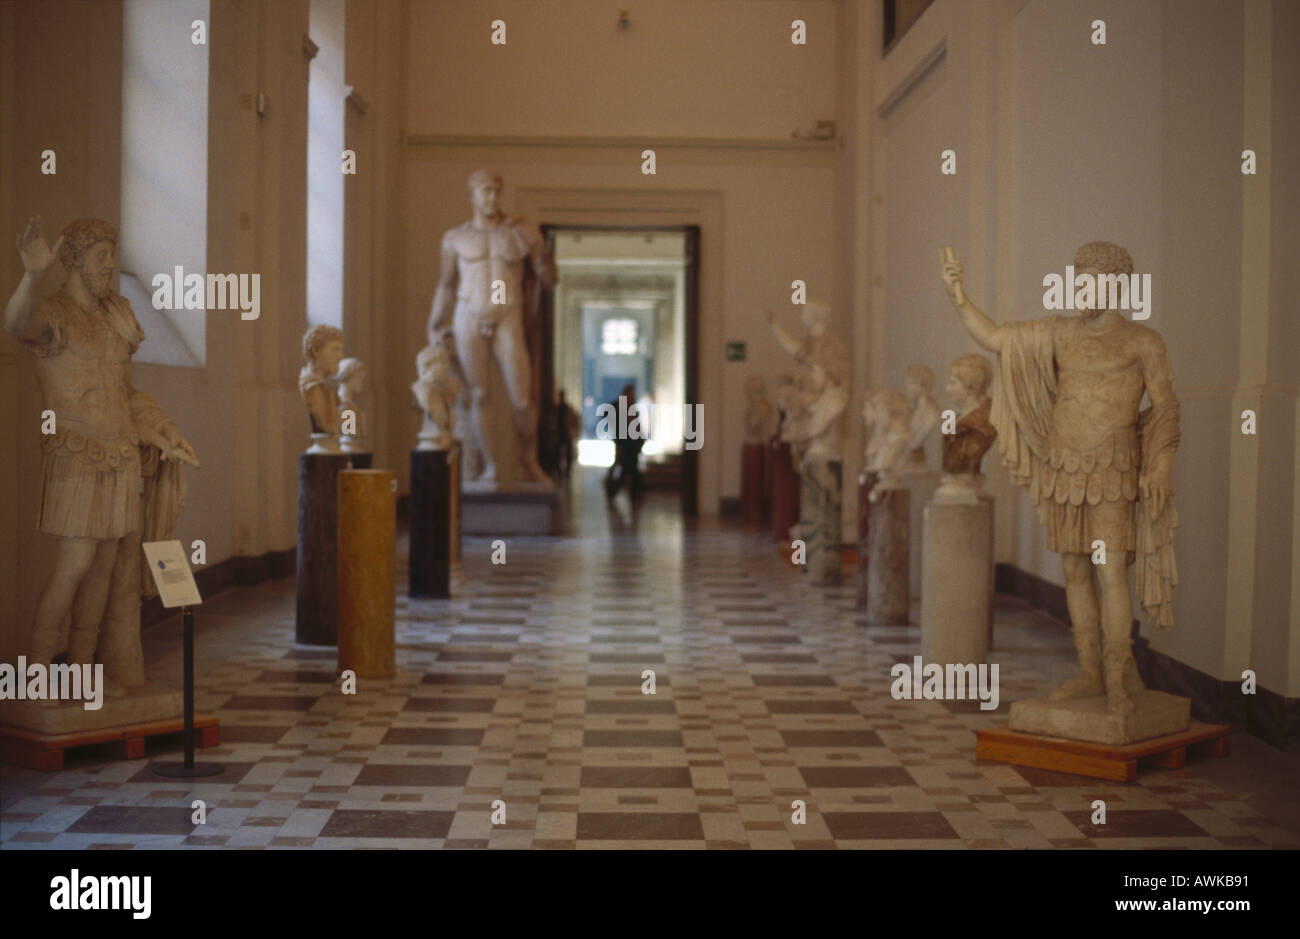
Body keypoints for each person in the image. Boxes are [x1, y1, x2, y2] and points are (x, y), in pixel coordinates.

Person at [940, 241, 1179, 714]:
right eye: (1077, 280)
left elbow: (1166, 404)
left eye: (1089, 281)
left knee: (1110, 570)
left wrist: (1160, 462)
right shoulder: (1059, 332)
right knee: (1073, 568)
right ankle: (1090, 671)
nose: (1080, 290)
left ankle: (1117, 672)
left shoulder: (1142, 341)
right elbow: (994, 338)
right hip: (1065, 466)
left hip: (1113, 466)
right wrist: (959, 295)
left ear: (1114, 285)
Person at [5, 216, 198, 689]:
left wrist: (158, 431)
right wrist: (31, 276)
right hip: (76, 454)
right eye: (100, 256)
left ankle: (81, 675)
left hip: (120, 455)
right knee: (74, 567)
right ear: (73, 261)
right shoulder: (52, 312)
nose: (110, 266)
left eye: (111, 255)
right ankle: (35, 680)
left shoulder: (115, 317)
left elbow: (123, 392)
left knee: (106, 573)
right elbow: (16, 324)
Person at [426, 169, 556, 484]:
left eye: (497, 190)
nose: (492, 197)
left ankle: (528, 460)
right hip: (468, 314)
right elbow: (445, 286)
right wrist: (435, 325)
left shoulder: (519, 233)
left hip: (507, 316)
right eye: (485, 190)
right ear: (472, 196)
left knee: (522, 400)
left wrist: (541, 253)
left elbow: (550, 280)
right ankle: (490, 467)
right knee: (479, 395)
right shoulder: (456, 238)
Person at [604, 383, 644, 499]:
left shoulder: (631, 407)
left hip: (633, 444)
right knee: (625, 466)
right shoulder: (619, 407)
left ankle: (623, 490)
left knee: (630, 468)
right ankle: (614, 488)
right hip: (624, 442)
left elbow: (636, 426)